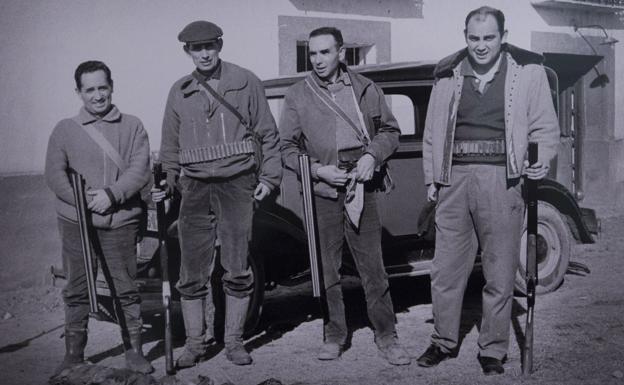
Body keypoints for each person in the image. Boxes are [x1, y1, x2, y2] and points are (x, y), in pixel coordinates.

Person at [418, 6, 560, 375]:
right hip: (453, 181)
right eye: (474, 38)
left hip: (503, 180)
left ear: (503, 36)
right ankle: (443, 341)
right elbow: (432, 133)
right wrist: (432, 179)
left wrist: (541, 159)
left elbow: (545, 127)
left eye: (489, 38)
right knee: (445, 269)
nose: (481, 46)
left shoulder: (528, 75)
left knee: (498, 270)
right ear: (465, 37)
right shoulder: (447, 75)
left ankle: (493, 350)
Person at [154, 20, 281, 367]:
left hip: (237, 185)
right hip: (193, 190)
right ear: (187, 52)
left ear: (220, 45)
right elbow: (169, 146)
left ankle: (234, 342)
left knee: (238, 268)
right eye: (197, 48)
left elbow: (269, 135)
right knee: (191, 272)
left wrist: (269, 178)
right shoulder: (178, 91)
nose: (204, 53)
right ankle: (195, 345)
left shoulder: (245, 81)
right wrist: (167, 181)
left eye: (210, 45)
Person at [280, 26, 410, 366]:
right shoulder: (298, 94)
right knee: (327, 269)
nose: (318, 60)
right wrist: (317, 171)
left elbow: (390, 131)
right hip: (323, 187)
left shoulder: (365, 88)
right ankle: (335, 334)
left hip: (361, 184)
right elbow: (286, 148)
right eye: (312, 53)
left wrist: (372, 157)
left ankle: (387, 335)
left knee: (373, 267)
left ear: (341, 53)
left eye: (325, 52)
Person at [45, 61, 153, 376]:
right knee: (77, 287)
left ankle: (134, 352)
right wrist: (84, 203)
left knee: (126, 287)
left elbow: (139, 169)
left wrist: (112, 195)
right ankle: (74, 355)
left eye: (102, 87)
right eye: (89, 89)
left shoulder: (133, 125)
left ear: (112, 86)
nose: (97, 95)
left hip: (120, 219)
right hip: (75, 220)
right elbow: (54, 174)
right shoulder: (64, 130)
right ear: (78, 92)